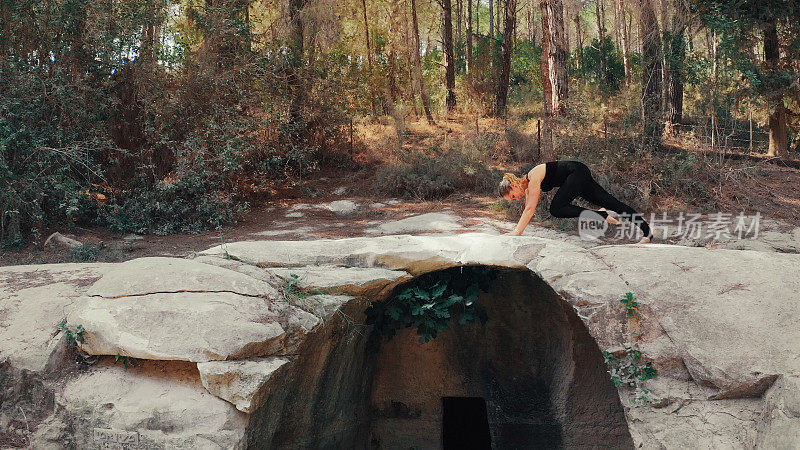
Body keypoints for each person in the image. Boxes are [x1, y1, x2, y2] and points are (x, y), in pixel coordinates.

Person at [498, 160, 654, 243]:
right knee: (613, 203)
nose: (516, 199)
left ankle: (600, 215)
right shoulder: (527, 188)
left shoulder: (532, 178)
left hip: (575, 173)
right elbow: (528, 210)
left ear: (512, 185)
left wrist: (517, 232)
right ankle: (648, 232)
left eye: (512, 196)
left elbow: (529, 209)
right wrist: (518, 229)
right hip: (577, 175)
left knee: (556, 209)